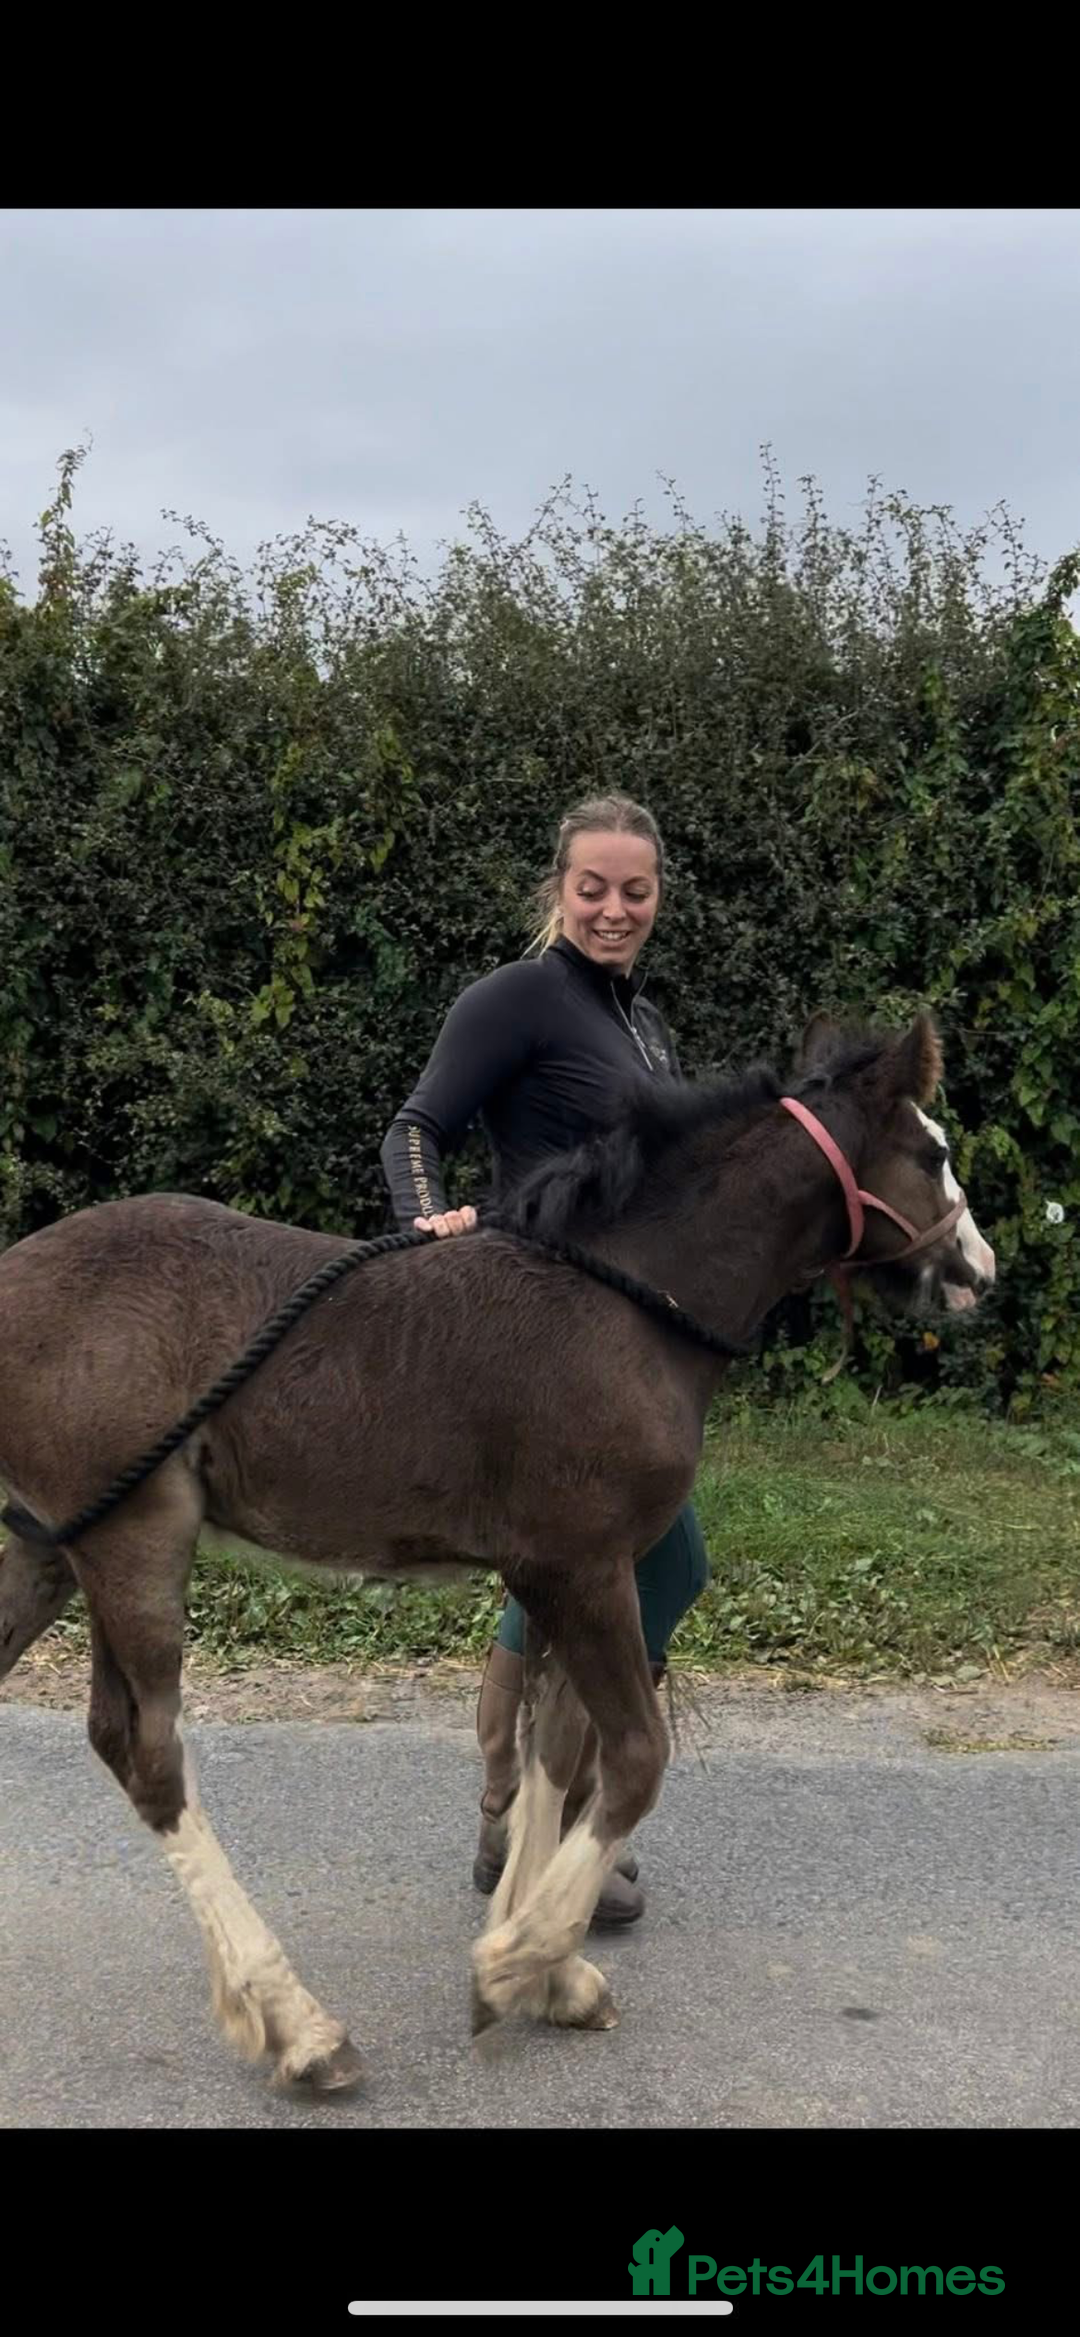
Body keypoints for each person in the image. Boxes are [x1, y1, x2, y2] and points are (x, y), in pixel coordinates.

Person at [379, 793, 711, 1926]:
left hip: (622, 1339)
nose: (615, 909)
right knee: (637, 1566)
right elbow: (416, 1126)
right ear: (557, 891)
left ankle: (523, 1809)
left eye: (635, 889)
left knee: (619, 1564)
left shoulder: (644, 1022)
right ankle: (532, 1812)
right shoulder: (519, 997)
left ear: (659, 893)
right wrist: (424, 1221)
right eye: (593, 888)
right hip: (539, 1332)